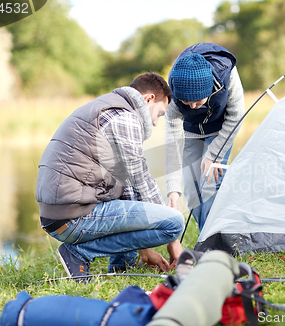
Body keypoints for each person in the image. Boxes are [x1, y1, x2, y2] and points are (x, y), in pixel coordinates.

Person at [36, 73, 184, 279]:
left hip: (58, 215)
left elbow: (129, 187)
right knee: (175, 221)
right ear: (149, 99)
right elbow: (141, 178)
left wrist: (144, 249)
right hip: (73, 217)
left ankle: (121, 267)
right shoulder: (125, 118)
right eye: (159, 114)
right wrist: (174, 240)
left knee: (124, 196)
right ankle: (78, 253)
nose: (156, 122)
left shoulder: (107, 108)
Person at [165, 43, 245, 231]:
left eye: (198, 102)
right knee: (191, 192)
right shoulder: (174, 89)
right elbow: (173, 144)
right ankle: (205, 234)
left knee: (210, 185)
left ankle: (211, 239)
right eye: (186, 102)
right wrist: (172, 189)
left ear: (209, 90)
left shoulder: (227, 74)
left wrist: (213, 154)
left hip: (220, 129)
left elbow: (236, 116)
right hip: (190, 131)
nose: (192, 107)